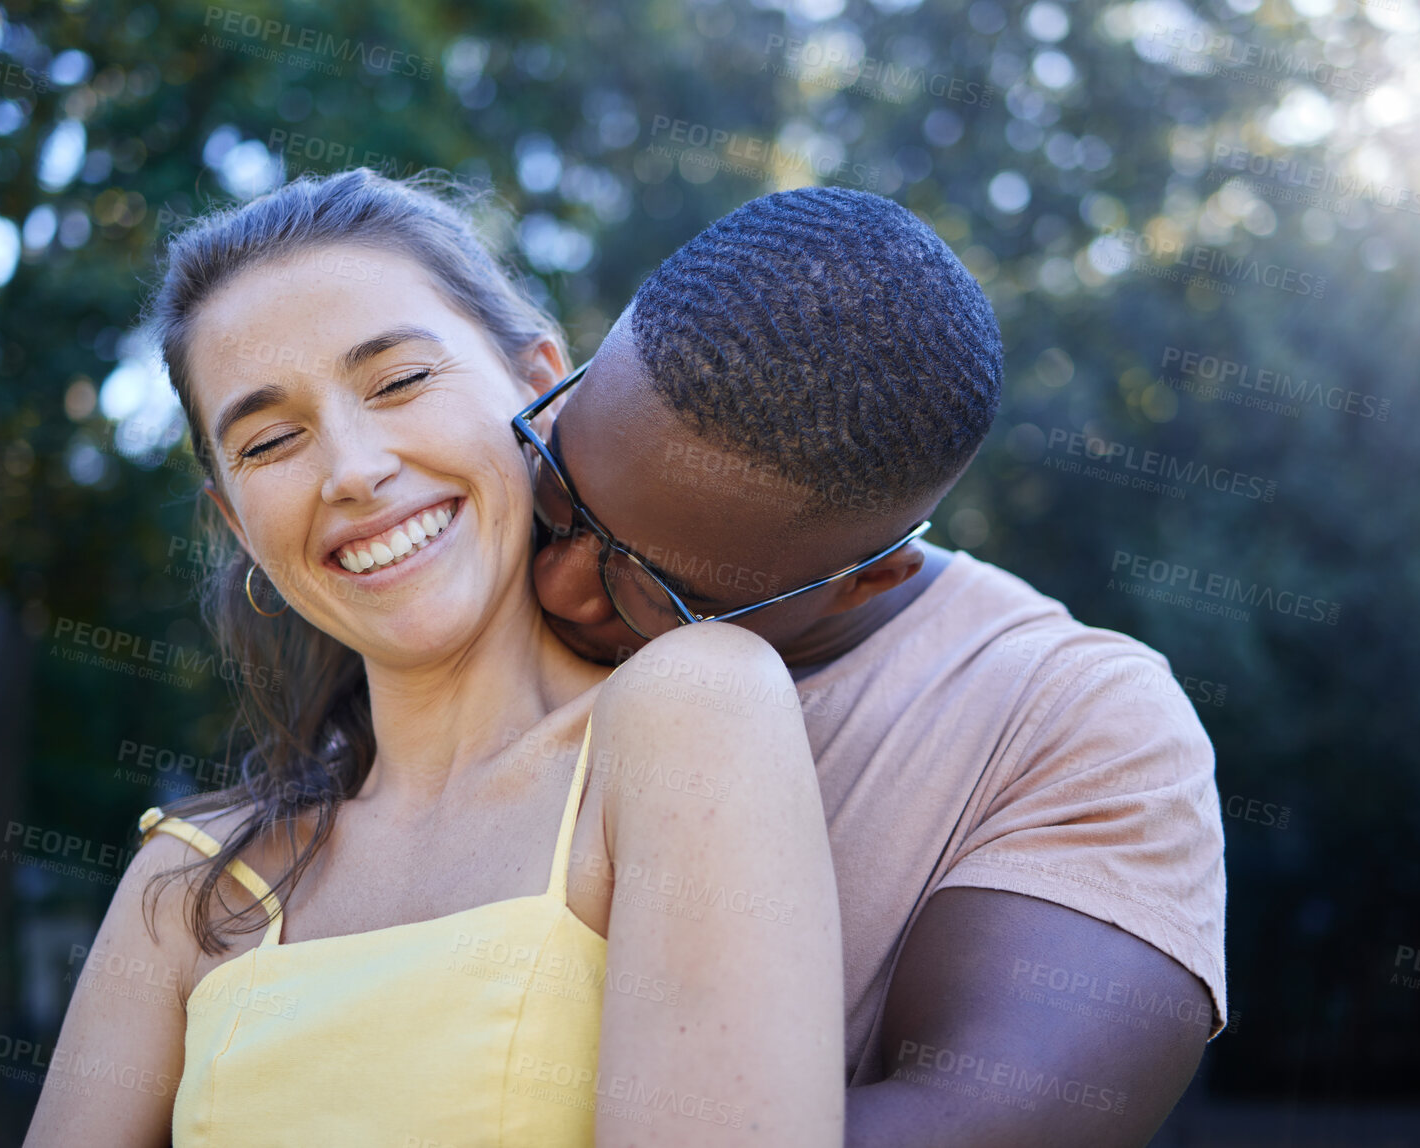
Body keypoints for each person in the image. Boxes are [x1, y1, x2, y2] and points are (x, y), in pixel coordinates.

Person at [23, 170, 848, 1147]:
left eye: (400, 380)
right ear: (236, 524)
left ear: (539, 385)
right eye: (271, 439)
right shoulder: (191, 881)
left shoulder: (691, 710)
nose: (353, 470)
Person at [525, 186, 1229, 1147]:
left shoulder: (1077, 725)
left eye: (652, 585)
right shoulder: (452, 535)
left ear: (869, 580)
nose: (557, 588)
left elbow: (975, 1124)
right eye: (558, 486)